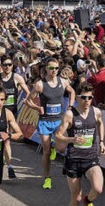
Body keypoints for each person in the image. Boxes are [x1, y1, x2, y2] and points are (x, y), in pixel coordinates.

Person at [26, 58, 75, 189]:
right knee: (46, 152)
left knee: (62, 149)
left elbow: (72, 92)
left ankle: (55, 145)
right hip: (45, 122)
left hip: (59, 121)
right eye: (51, 68)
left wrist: (70, 107)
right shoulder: (40, 85)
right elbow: (27, 101)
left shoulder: (63, 82)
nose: (54, 71)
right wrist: (37, 108)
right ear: (46, 69)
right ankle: (47, 178)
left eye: (56, 68)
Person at [55, 82, 105, 206]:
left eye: (90, 98)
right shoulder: (70, 114)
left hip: (90, 158)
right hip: (73, 159)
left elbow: (100, 123)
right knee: (76, 197)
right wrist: (72, 140)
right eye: (84, 97)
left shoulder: (96, 112)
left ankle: (87, 200)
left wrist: (101, 142)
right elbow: (58, 135)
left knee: (98, 188)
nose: (87, 101)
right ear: (77, 97)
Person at [0, 55, 30, 179]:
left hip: (11, 113)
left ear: (13, 66)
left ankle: (8, 166)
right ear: (1, 65)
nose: (7, 67)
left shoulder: (17, 77)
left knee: (6, 139)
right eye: (5, 65)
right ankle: (4, 164)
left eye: (10, 65)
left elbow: (27, 92)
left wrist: (24, 101)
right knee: (1, 139)